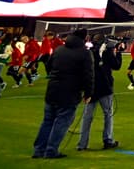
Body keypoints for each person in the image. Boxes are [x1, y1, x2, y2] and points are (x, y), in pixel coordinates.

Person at [31, 28, 94, 160]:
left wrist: (55, 76)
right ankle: (51, 150)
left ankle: (39, 149)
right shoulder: (84, 53)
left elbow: (49, 64)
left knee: (47, 121)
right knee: (62, 121)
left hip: (53, 89)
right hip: (69, 92)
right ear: (84, 39)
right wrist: (88, 93)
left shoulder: (59, 49)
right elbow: (88, 75)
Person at [77, 34, 122, 152]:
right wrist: (117, 52)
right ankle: (108, 140)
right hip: (104, 87)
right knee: (108, 114)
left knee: (87, 117)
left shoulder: (88, 53)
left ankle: (82, 143)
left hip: (90, 88)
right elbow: (117, 66)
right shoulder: (106, 53)